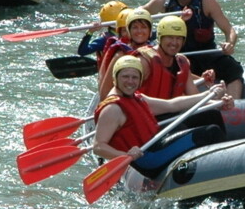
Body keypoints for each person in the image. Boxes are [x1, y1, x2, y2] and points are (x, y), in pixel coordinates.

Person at [93, 56, 234, 181]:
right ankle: (225, 172)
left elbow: (171, 105)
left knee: (210, 115)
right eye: (125, 76)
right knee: (211, 132)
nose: (130, 81)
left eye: (134, 77)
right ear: (115, 78)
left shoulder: (136, 97)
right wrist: (125, 155)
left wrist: (213, 101)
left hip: (156, 143)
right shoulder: (113, 109)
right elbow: (98, 146)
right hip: (148, 159)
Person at [140, 0, 244, 99]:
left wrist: (230, 43)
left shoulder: (207, 1)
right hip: (176, 55)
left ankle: (233, 106)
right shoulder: (163, 1)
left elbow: (229, 29)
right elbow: (139, 15)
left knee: (234, 68)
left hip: (205, 54)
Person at [96, 8, 156, 102]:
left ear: (150, 31)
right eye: (135, 27)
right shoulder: (120, 55)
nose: (139, 31)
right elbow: (105, 94)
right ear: (129, 31)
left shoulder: (155, 52)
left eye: (144, 27)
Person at [137, 16, 202, 100]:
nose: (174, 43)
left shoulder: (182, 62)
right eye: (170, 37)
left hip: (173, 111)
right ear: (160, 38)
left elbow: (194, 97)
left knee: (213, 112)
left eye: (178, 38)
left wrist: (219, 101)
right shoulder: (144, 61)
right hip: (146, 111)